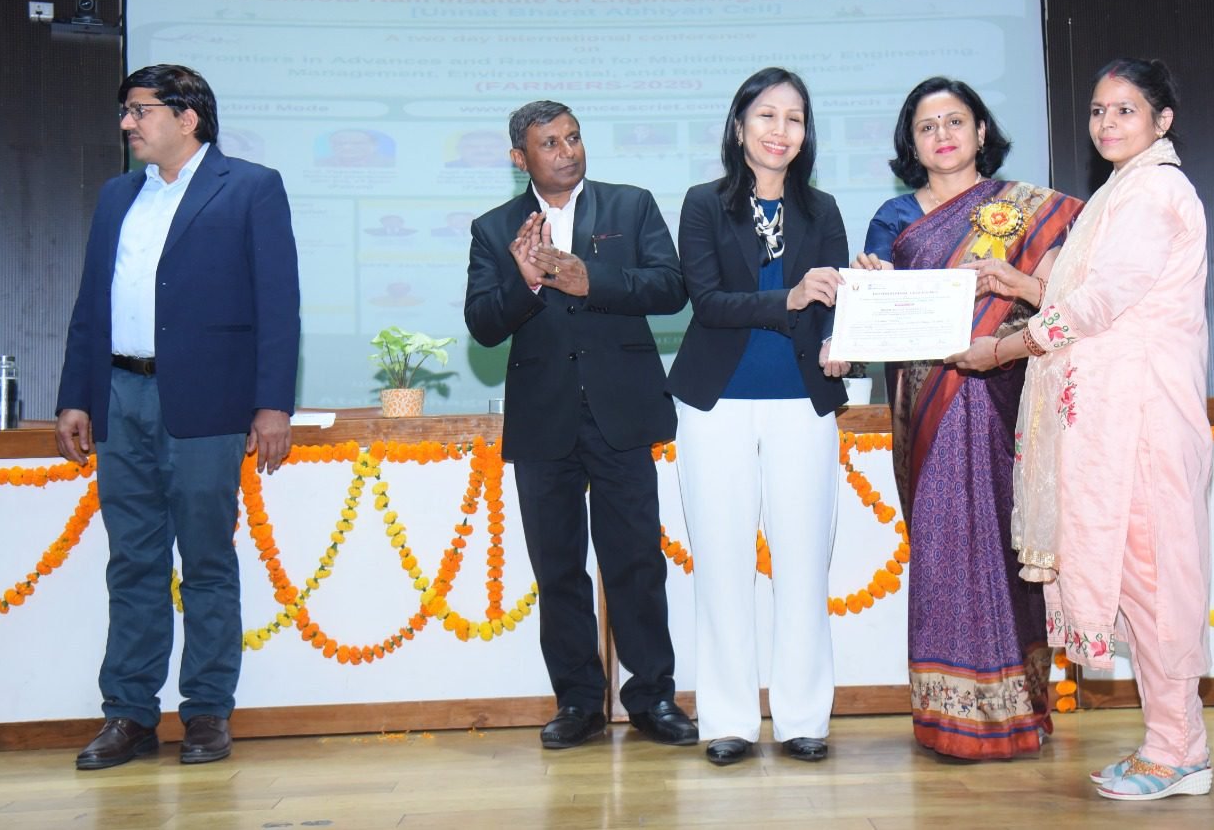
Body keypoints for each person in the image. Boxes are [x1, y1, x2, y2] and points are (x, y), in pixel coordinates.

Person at [948, 59, 1213, 801]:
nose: (1107, 123)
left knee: (1156, 586)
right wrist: (1025, 285)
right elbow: (1103, 297)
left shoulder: (1154, 192)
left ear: (1161, 120)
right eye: (1099, 111)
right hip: (1113, 423)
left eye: (1125, 110)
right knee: (1140, 582)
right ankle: (1174, 743)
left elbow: (1096, 309)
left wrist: (1001, 349)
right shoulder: (1122, 191)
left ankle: (1178, 752)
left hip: (1143, 421)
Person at [54, 64, 301, 770]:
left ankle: (206, 712)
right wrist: (76, 395)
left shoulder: (250, 187)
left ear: (187, 118)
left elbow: (278, 302)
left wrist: (273, 404)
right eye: (126, 111)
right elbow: (91, 302)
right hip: (119, 395)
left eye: (139, 111)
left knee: (207, 562)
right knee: (132, 561)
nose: (126, 124)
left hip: (208, 402)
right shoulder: (117, 196)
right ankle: (129, 714)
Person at [854, 77, 1082, 760]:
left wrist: (1018, 288)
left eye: (955, 121)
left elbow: (1069, 300)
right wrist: (870, 288)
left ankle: (1018, 711)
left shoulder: (1028, 210)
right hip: (929, 409)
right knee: (943, 551)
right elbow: (879, 315)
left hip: (1006, 400)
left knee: (1010, 551)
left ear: (981, 131)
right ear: (912, 143)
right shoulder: (895, 218)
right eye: (927, 127)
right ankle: (946, 719)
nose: (943, 135)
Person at [464, 100, 697, 750]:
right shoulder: (494, 229)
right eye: (550, 143)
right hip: (544, 420)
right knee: (559, 569)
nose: (567, 151)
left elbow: (670, 287)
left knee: (636, 563)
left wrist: (588, 278)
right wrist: (526, 282)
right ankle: (578, 703)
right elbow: (483, 324)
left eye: (573, 138)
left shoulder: (631, 205)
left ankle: (652, 698)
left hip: (621, 412)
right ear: (520, 158)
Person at [665, 68, 850, 766]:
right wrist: (791, 298)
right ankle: (729, 720)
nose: (781, 130)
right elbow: (709, 303)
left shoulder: (822, 209)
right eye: (767, 115)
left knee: (804, 563)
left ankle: (804, 718)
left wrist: (844, 334)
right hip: (715, 404)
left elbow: (833, 308)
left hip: (803, 403)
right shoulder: (703, 204)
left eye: (794, 118)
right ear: (740, 126)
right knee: (721, 563)